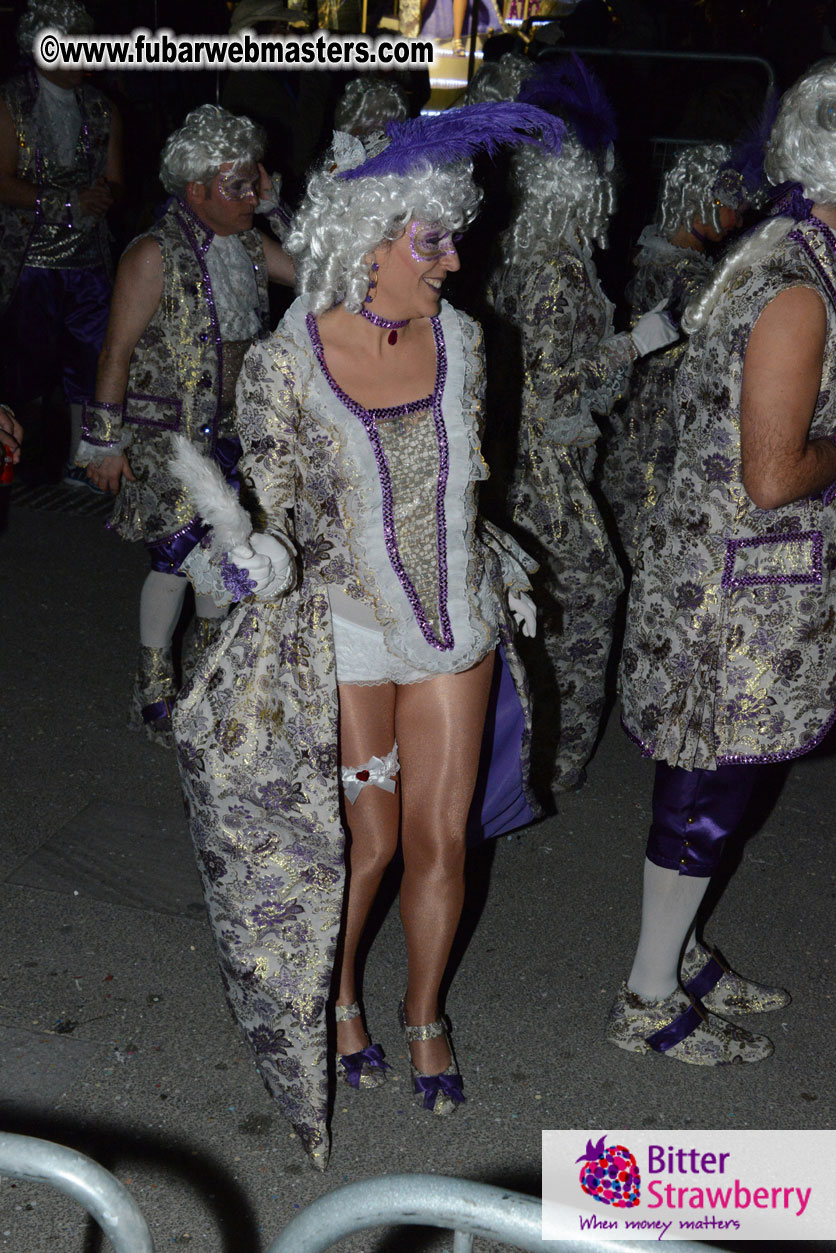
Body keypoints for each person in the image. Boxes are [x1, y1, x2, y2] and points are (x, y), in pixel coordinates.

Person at [171, 103, 563, 1168]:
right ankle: (337, 996)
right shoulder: (285, 361)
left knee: (443, 840)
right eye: (429, 240)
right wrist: (258, 555)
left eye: (450, 236)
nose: (450, 258)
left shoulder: (466, 341)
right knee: (372, 841)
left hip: (457, 622)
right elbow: (280, 502)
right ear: (369, 241)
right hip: (344, 631)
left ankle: (424, 1012)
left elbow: (467, 488)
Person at [607, 59, 836, 1065]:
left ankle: (681, 951)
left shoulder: (793, 254)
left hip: (736, 577)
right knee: (705, 797)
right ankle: (644, 998)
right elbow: (772, 474)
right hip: (733, 593)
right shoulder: (793, 287)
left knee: (718, 790)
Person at [486, 57, 677, 797]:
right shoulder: (558, 272)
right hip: (543, 465)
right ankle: (547, 761)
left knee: (550, 602)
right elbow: (554, 382)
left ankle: (526, 753)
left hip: (532, 456)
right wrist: (632, 344)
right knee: (588, 597)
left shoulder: (526, 254)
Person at [75, 105, 294, 746]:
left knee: (225, 554)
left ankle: (202, 677)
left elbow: (317, 275)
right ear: (196, 190)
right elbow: (114, 353)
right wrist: (104, 442)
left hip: (232, 430)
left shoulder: (250, 243)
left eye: (256, 181)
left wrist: (277, 208)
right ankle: (152, 684)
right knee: (174, 558)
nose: (252, 195)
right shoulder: (152, 253)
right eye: (240, 186)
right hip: (166, 437)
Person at [600, 143, 760, 562]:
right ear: (702, 201)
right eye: (731, 207)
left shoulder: (652, 258)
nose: (738, 219)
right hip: (658, 430)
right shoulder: (685, 274)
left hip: (637, 421)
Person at [0, 0, 124, 485]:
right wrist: (64, 202)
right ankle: (14, 460)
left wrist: (101, 198)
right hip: (24, 259)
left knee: (92, 360)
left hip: (88, 260)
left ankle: (85, 460)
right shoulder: (10, 102)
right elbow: (2, 181)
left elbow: (117, 181)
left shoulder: (102, 107)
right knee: (19, 364)